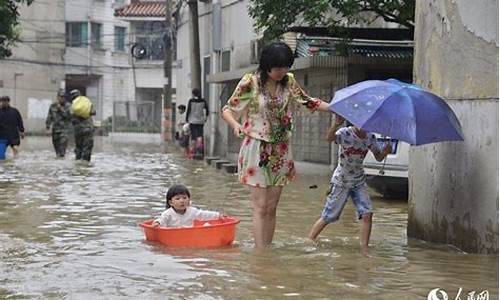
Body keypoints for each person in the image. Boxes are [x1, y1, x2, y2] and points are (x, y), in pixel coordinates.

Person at [221, 41, 333, 248]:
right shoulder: (250, 82)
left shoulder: (289, 82)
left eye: (286, 67)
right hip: (256, 148)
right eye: (278, 68)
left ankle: (267, 249)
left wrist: (336, 108)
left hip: (280, 150)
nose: (282, 71)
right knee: (260, 206)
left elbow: (308, 101)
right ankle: (260, 251)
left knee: (272, 206)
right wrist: (236, 125)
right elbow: (227, 109)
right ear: (267, 66)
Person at [308, 113, 393, 256]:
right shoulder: (344, 133)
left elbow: (378, 157)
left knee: (367, 213)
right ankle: (310, 239)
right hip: (341, 181)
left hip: (358, 181)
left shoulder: (370, 137)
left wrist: (385, 152)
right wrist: (336, 124)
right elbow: (328, 138)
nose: (363, 126)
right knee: (330, 215)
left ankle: (365, 248)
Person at [152, 184, 221, 228]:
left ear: (189, 200)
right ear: (170, 202)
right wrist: (157, 222)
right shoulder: (168, 213)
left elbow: (204, 214)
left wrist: (218, 215)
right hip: (173, 236)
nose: (182, 201)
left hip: (188, 235)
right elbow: (162, 219)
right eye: (177, 198)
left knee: (207, 226)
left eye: (184, 198)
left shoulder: (192, 211)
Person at [70, 89, 96, 162]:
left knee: (78, 148)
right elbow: (93, 112)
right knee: (87, 147)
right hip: (88, 129)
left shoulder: (71, 106)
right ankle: (85, 164)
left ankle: (78, 161)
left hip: (78, 130)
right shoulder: (86, 102)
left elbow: (69, 118)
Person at [46, 90, 72, 158]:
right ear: (57, 97)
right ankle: (58, 161)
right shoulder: (53, 106)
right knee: (57, 151)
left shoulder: (68, 106)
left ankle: (62, 161)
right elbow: (49, 116)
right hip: (55, 130)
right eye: (60, 97)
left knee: (62, 149)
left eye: (63, 97)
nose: (62, 98)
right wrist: (47, 126)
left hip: (64, 131)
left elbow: (68, 116)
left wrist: (60, 109)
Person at [186, 88, 209, 159]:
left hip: (192, 121)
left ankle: (192, 151)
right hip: (200, 121)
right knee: (199, 135)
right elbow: (207, 110)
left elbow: (188, 110)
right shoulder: (203, 101)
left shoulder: (191, 101)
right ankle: (199, 151)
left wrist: (187, 119)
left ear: (193, 94)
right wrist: (205, 118)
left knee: (193, 136)